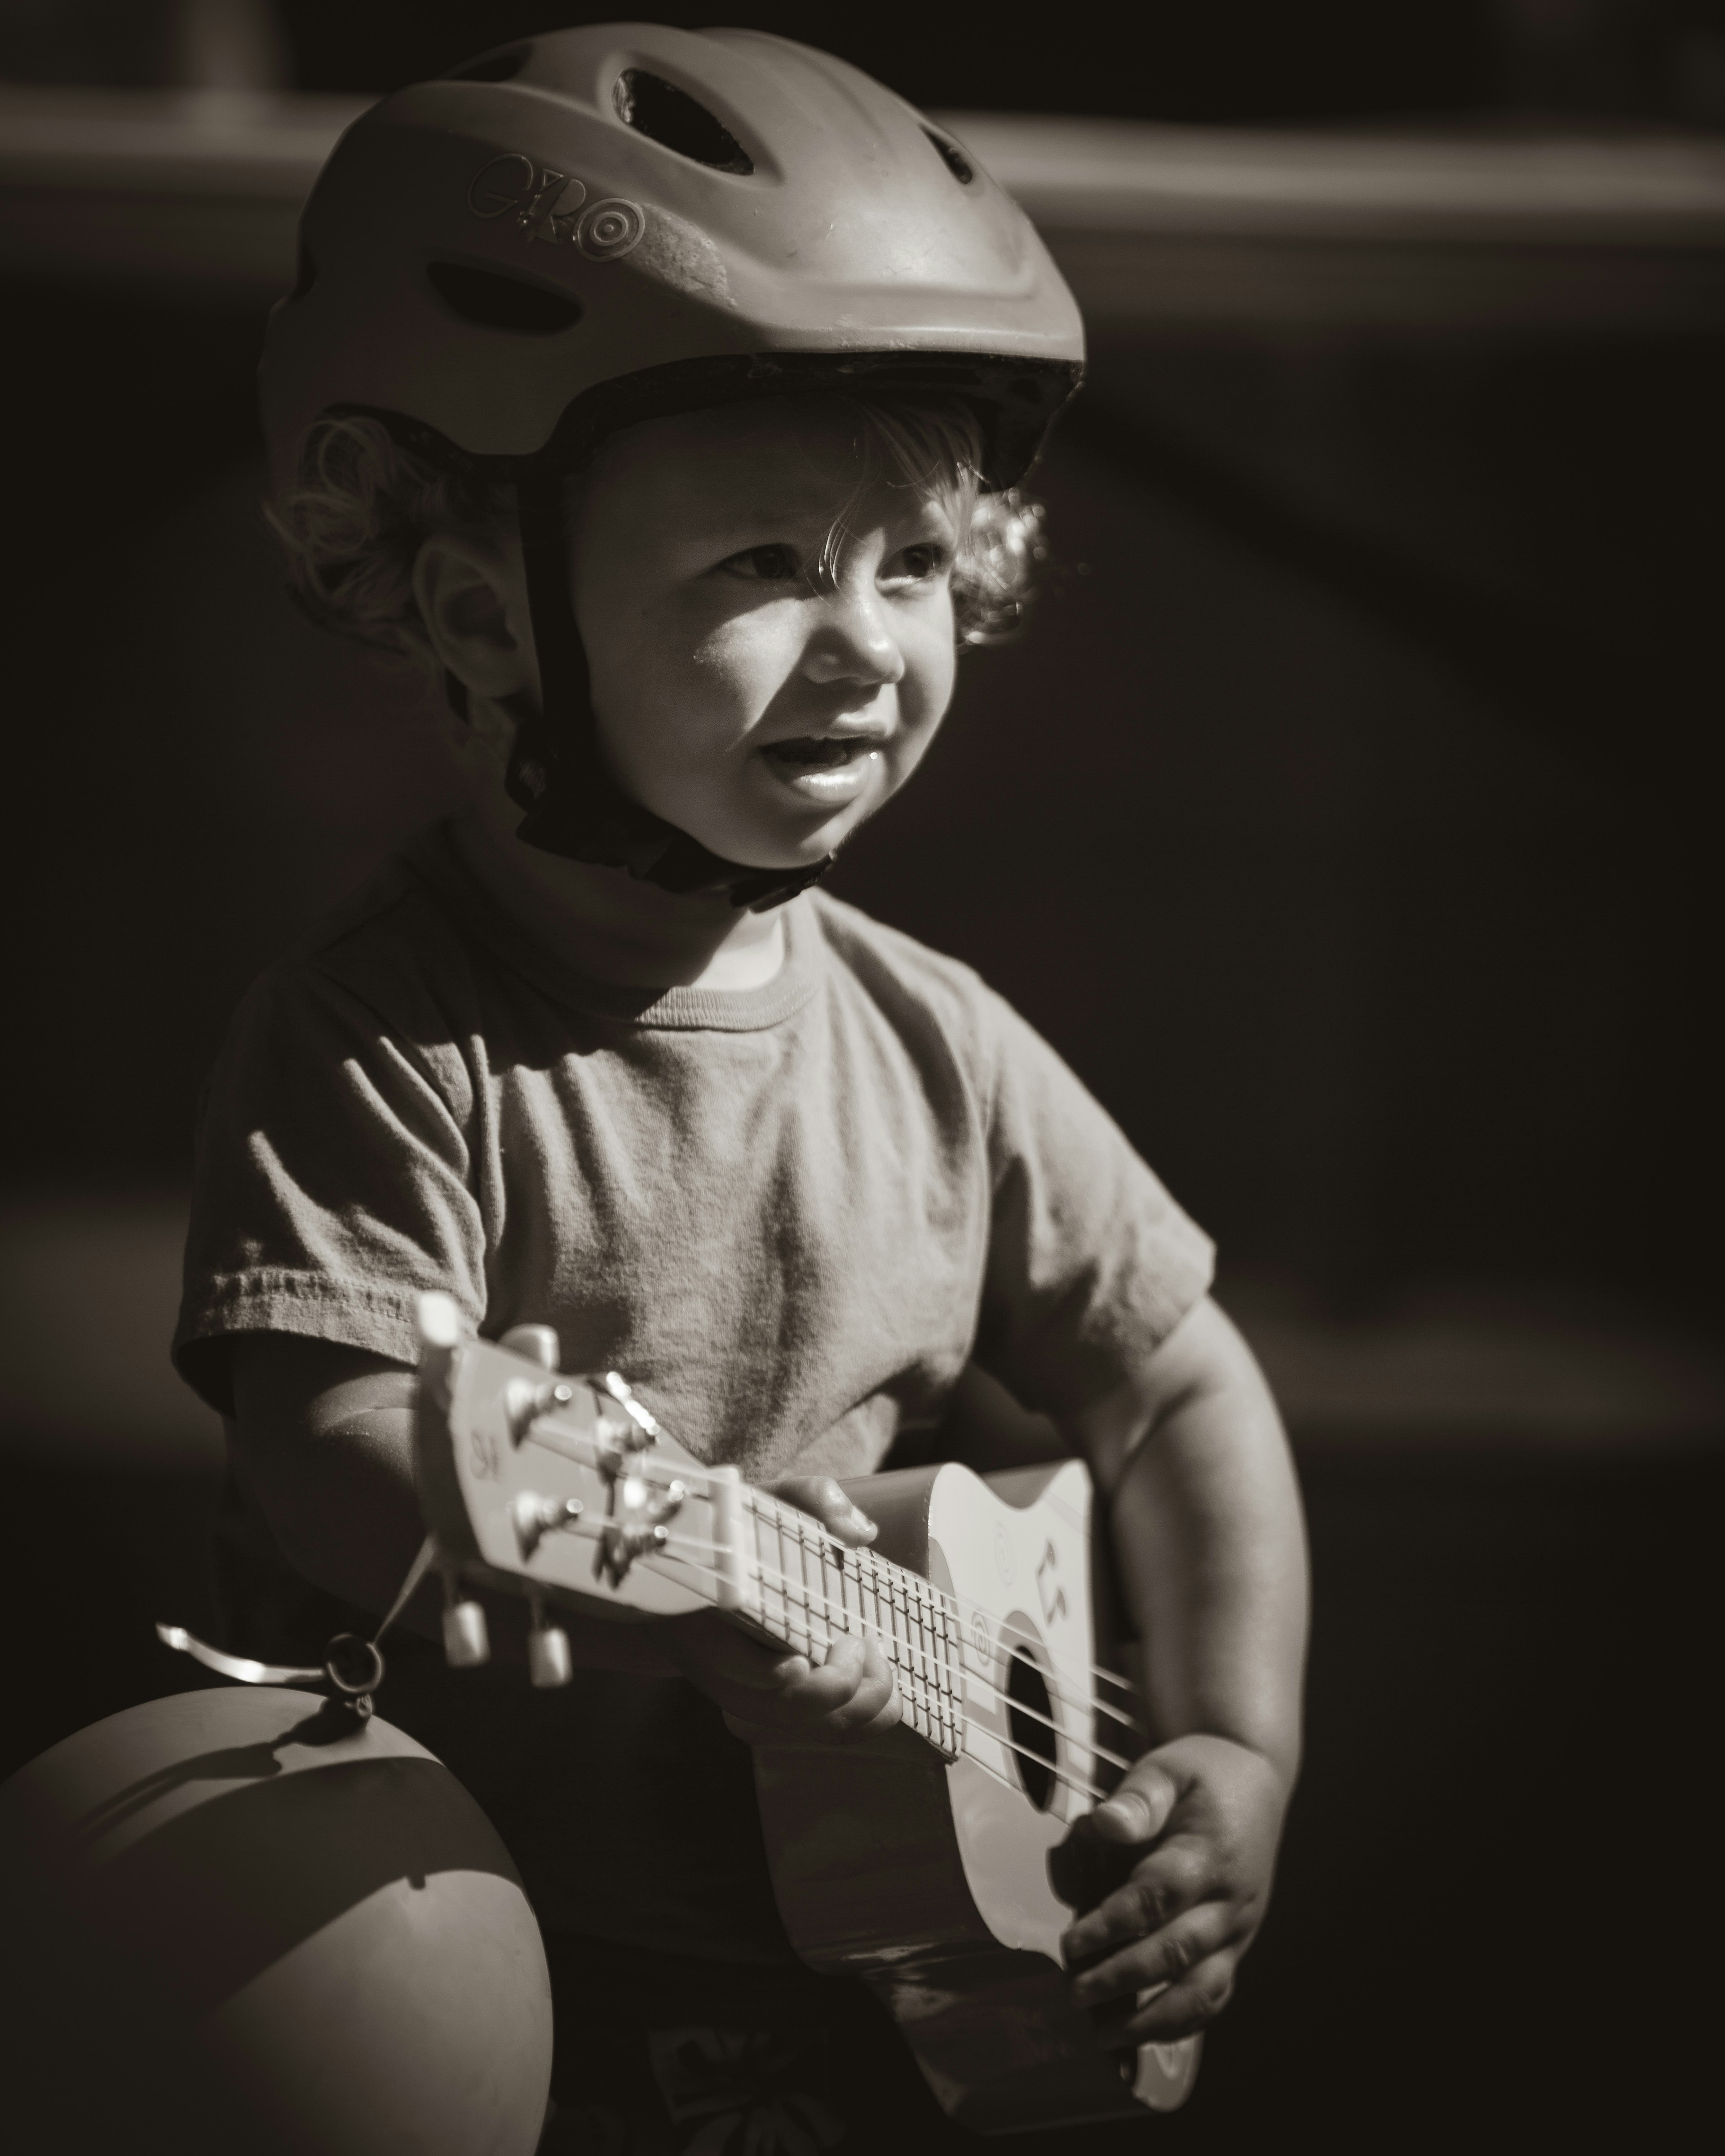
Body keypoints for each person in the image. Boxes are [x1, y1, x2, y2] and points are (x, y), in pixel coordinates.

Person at [173, 25, 1308, 2152]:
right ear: (476, 607)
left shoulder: (936, 1043)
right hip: (486, 1992)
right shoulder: (388, 1039)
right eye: (762, 568)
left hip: (903, 2013)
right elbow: (326, 1430)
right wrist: (622, 1565)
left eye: (911, 564)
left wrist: (1234, 1758)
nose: (869, 638)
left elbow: (1185, 1391)